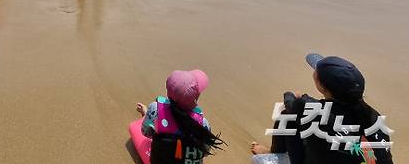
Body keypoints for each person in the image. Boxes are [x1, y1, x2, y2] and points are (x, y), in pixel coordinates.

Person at [251, 54, 393, 164]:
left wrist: (294, 96)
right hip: (365, 158)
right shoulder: (373, 116)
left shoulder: (310, 108)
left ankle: (273, 152)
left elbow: (290, 99)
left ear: (322, 86)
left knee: (287, 114)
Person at [135, 69, 225, 163]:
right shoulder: (203, 124)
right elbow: (205, 152)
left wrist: (146, 113)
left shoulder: (155, 109)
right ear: (196, 97)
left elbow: (145, 133)